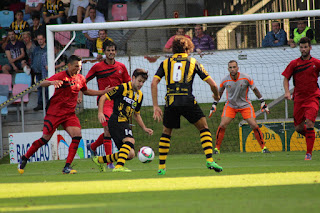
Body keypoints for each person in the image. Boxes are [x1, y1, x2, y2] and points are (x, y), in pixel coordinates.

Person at [17, 55, 111, 174]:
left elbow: (86, 91)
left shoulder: (80, 78)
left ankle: (67, 166)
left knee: (77, 136)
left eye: (80, 67)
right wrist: (52, 82)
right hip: (55, 113)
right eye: (76, 66)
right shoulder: (61, 75)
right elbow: (42, 83)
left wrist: (102, 92)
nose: (78, 69)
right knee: (45, 139)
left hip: (69, 114)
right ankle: (24, 158)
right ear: (69, 65)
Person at [151, 35, 223, 175]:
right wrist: (216, 95)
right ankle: (209, 160)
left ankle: (161, 167)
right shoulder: (193, 62)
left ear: (173, 49)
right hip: (187, 100)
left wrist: (155, 106)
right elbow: (213, 84)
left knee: (166, 132)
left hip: (171, 101)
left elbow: (154, 83)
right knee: (203, 128)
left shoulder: (165, 63)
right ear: (188, 48)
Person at [92, 69, 153, 172]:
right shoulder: (122, 88)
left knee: (130, 154)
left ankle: (99, 160)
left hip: (124, 123)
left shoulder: (139, 96)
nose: (141, 84)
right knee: (130, 141)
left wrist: (144, 128)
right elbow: (103, 97)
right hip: (116, 120)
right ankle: (119, 166)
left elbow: (136, 114)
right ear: (133, 78)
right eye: (139, 81)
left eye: (143, 82)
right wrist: (100, 112)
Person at [82, 41, 131, 170]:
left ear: (116, 52)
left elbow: (129, 85)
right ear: (104, 52)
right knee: (108, 130)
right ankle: (109, 163)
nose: (111, 53)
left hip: (118, 104)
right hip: (105, 102)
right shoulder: (97, 67)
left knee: (111, 131)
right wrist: (80, 95)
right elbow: (83, 82)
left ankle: (93, 147)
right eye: (108, 50)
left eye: (113, 50)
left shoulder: (121, 67)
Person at [211, 60, 271, 154]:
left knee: (254, 125)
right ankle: (216, 149)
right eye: (230, 67)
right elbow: (219, 93)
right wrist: (214, 104)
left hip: (245, 105)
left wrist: (262, 102)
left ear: (238, 68)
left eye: (234, 67)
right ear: (228, 69)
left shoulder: (246, 78)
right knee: (222, 125)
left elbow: (254, 89)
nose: (232, 69)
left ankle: (263, 148)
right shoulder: (225, 80)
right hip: (231, 105)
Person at [282, 37, 320, 160]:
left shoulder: (316, 63)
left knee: (309, 123)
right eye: (301, 47)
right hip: (298, 98)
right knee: (298, 128)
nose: (303, 49)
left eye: (305, 47)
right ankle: (311, 136)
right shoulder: (294, 63)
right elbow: (286, 78)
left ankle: (308, 153)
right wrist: (287, 92)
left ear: (310, 47)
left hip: (313, 97)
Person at [31, 33, 47, 111]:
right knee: (39, 89)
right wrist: (32, 66)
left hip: (46, 73)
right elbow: (32, 58)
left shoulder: (48, 48)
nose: (40, 41)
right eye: (38, 40)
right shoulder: (36, 49)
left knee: (47, 89)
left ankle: (48, 104)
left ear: (44, 39)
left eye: (41, 39)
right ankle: (40, 104)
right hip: (37, 72)